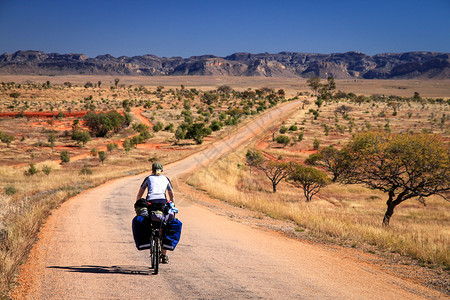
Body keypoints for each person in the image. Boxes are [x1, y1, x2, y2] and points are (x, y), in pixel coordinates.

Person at [136, 162, 174, 264]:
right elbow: (171, 195)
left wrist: (138, 203)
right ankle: (164, 255)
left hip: (150, 203)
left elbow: (140, 194)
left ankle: (149, 242)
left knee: (148, 222)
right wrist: (172, 204)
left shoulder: (148, 178)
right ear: (162, 170)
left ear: (152, 170)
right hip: (162, 203)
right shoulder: (166, 179)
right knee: (165, 226)